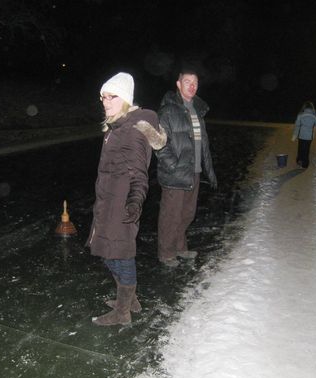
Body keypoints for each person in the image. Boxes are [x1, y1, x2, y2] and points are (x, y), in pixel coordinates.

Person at [87, 72, 166, 326]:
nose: (105, 101)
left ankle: (122, 312)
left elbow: (139, 173)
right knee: (112, 251)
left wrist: (134, 202)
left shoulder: (131, 130)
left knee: (119, 254)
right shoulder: (117, 125)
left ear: (125, 99)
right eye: (103, 97)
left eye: (112, 97)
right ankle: (129, 299)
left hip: (121, 203)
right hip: (109, 200)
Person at [155, 70, 218, 268]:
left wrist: (209, 170)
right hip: (175, 173)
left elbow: (203, 144)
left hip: (194, 170)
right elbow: (159, 144)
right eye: (187, 81)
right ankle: (166, 253)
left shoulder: (198, 111)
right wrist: (174, 166)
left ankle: (180, 247)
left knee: (187, 213)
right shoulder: (167, 111)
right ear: (178, 84)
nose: (192, 85)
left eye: (195, 82)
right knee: (171, 215)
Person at [292, 101, 316, 169]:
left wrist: (295, 135)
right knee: (306, 149)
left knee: (300, 148)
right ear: (312, 107)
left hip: (301, 135)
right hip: (309, 136)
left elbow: (297, 124)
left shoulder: (300, 115)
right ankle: (305, 164)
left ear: (304, 107)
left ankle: (299, 160)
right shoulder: (315, 115)